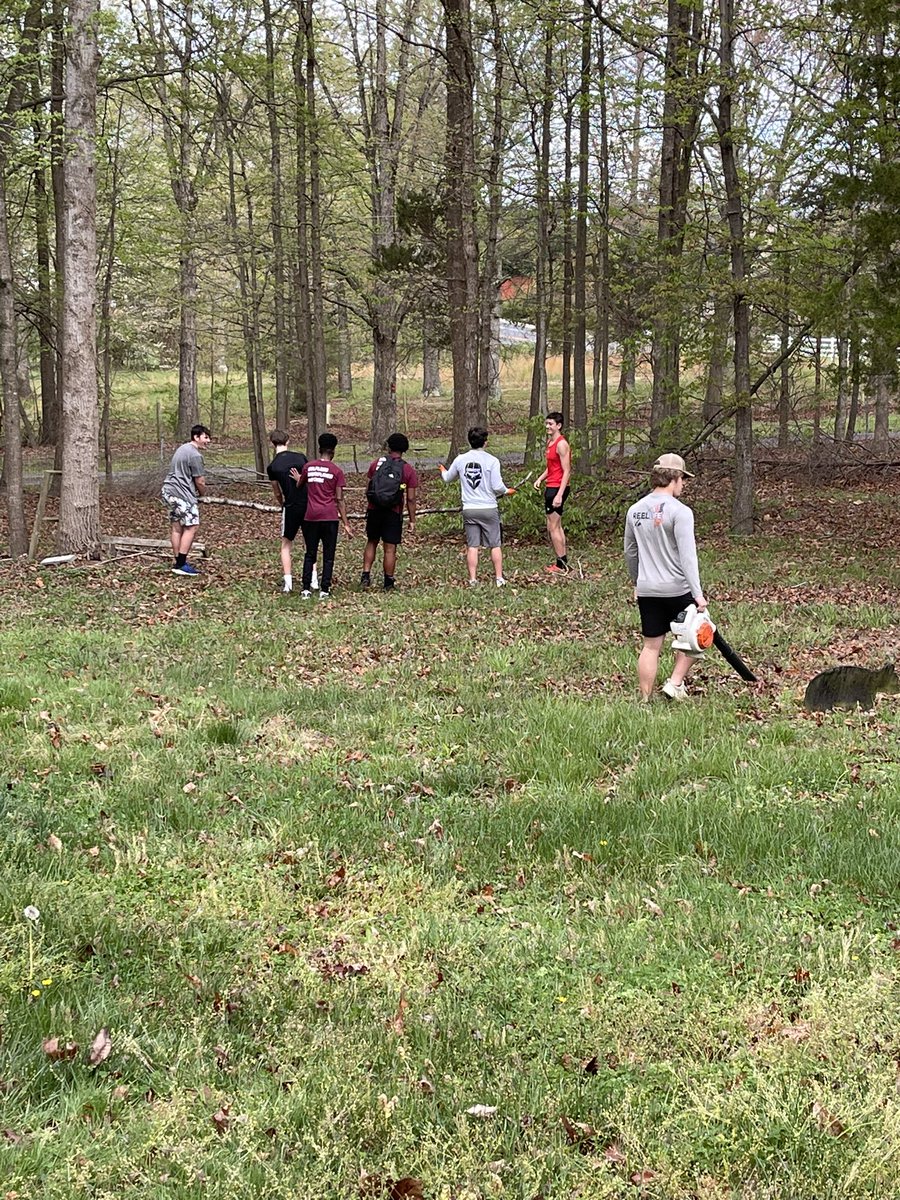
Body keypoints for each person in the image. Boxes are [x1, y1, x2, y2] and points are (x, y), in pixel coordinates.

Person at [623, 452, 708, 702]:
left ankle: (645, 699)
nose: (683, 485)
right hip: (677, 589)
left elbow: (630, 551)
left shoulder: (635, 510)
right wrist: (698, 594)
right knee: (698, 634)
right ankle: (675, 683)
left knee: (651, 646)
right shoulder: (681, 512)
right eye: (683, 479)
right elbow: (688, 556)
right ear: (675, 478)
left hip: (647, 589)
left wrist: (636, 582)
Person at [440, 427, 515, 587]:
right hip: (489, 508)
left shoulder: (460, 459)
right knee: (495, 544)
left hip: (469, 509)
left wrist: (442, 471)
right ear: (485, 442)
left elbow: (447, 478)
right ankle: (499, 578)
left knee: (472, 545)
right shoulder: (492, 461)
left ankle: (473, 579)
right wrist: (507, 491)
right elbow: (497, 486)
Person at [290, 433, 352, 599]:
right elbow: (339, 499)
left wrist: (298, 478)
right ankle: (325, 589)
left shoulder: (309, 467)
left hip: (310, 516)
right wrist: (346, 523)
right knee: (328, 555)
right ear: (334, 451)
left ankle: (305, 589)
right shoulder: (337, 471)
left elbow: (300, 484)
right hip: (330, 517)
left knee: (310, 553)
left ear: (319, 449)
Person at [360, 432, 419, 592]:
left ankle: (365, 575)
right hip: (393, 511)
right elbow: (411, 498)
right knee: (390, 548)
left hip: (374, 509)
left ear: (389, 446)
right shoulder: (407, 469)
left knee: (372, 541)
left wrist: (373, 502)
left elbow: (369, 487)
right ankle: (388, 581)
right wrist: (412, 520)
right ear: (405, 449)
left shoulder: (376, 464)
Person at [161, 424, 211, 576]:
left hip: (168, 491)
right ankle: (181, 565)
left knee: (177, 527)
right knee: (192, 526)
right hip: (181, 494)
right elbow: (200, 481)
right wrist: (202, 494)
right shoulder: (195, 455)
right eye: (206, 437)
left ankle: (178, 561)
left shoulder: (182, 448)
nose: (208, 441)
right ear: (196, 437)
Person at [266, 429, 308, 594]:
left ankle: (288, 582)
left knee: (286, 545)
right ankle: (312, 580)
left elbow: (277, 491)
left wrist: (282, 503)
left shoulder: (273, 466)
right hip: (307, 504)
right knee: (309, 544)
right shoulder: (300, 457)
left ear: (272, 443)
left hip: (290, 506)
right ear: (288, 441)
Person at [532, 411, 571, 573]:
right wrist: (540, 478)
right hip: (551, 485)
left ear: (559, 426)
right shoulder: (550, 442)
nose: (547, 426)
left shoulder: (562, 444)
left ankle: (560, 565)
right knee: (556, 525)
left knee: (553, 527)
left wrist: (559, 495)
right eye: (546, 423)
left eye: (551, 424)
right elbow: (552, 467)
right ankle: (563, 561)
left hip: (557, 488)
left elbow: (566, 470)